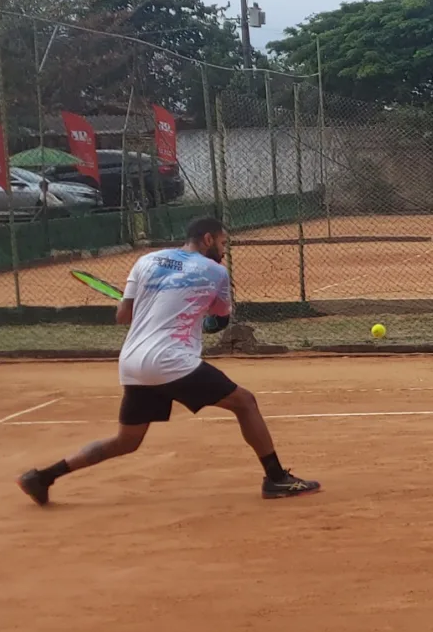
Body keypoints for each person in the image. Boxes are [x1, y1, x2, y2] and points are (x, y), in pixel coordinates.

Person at [18, 216, 320, 505]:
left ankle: (43, 477)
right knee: (245, 402)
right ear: (207, 239)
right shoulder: (215, 272)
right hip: (170, 360)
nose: (224, 251)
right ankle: (276, 478)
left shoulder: (146, 260)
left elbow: (123, 316)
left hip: (133, 363)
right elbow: (219, 320)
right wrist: (198, 319)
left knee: (127, 441)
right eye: (223, 243)